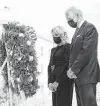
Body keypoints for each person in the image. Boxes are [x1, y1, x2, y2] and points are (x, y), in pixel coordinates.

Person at [65, 7, 100, 106]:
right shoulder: (77, 31)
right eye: (67, 19)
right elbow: (73, 54)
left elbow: (86, 52)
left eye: (69, 18)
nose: (68, 21)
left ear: (78, 15)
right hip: (78, 76)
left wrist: (73, 69)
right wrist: (71, 69)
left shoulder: (89, 28)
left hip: (87, 76)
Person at [48, 26, 73, 106]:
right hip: (54, 82)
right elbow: (50, 66)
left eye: (56, 34)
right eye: (53, 35)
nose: (54, 37)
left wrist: (58, 81)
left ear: (62, 35)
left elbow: (67, 65)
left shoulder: (68, 47)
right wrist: (50, 82)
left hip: (64, 81)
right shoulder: (53, 50)